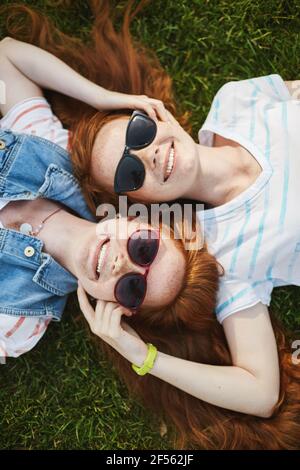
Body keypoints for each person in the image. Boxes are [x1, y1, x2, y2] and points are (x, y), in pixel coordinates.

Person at [2, 0, 300, 450]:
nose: (124, 262)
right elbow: (260, 394)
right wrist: (140, 355)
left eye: (133, 282)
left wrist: (106, 101)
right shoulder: (231, 256)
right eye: (130, 174)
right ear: (135, 206)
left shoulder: (15, 318)